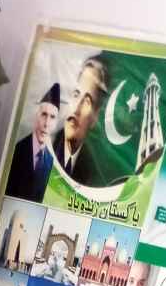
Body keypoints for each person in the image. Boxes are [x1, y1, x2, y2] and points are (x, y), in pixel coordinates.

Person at [53, 56, 108, 186]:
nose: (76, 108)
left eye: (87, 101)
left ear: (95, 117)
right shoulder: (42, 146)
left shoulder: (93, 175)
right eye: (76, 94)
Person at [6, 83, 60, 203]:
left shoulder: (49, 160)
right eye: (44, 115)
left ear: (56, 124)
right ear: (36, 116)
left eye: (52, 117)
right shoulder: (17, 149)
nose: (46, 123)